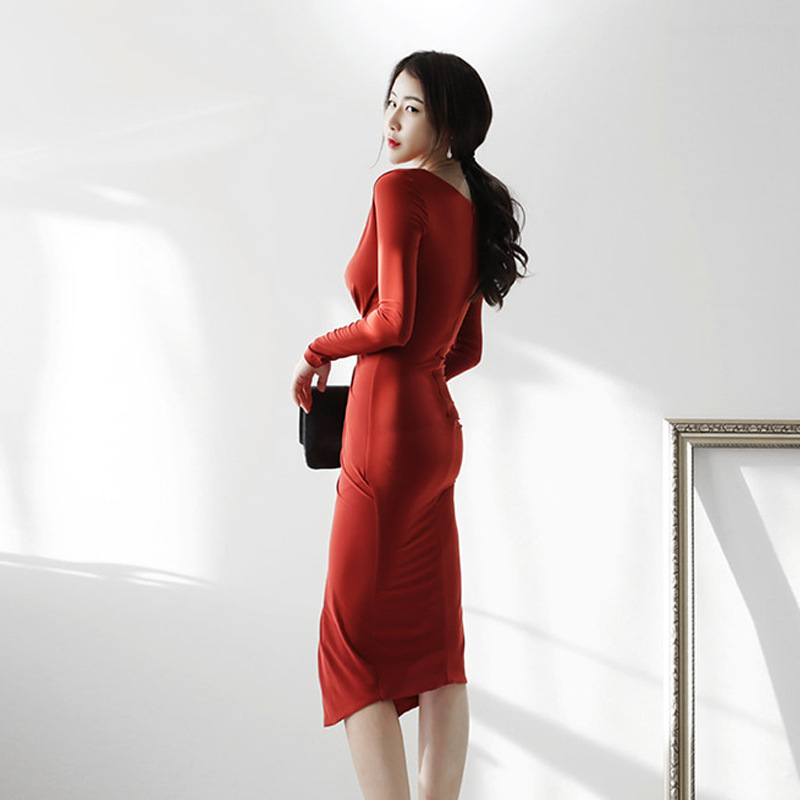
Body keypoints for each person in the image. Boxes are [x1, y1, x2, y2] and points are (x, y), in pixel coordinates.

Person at [291, 50, 529, 800]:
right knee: (436, 644)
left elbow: (390, 320)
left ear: (448, 122)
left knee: (349, 643)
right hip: (436, 433)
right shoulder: (471, 200)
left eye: (414, 107)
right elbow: (465, 348)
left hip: (385, 432)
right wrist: (418, 379)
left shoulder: (398, 189)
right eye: (391, 102)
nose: (393, 119)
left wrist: (318, 351)